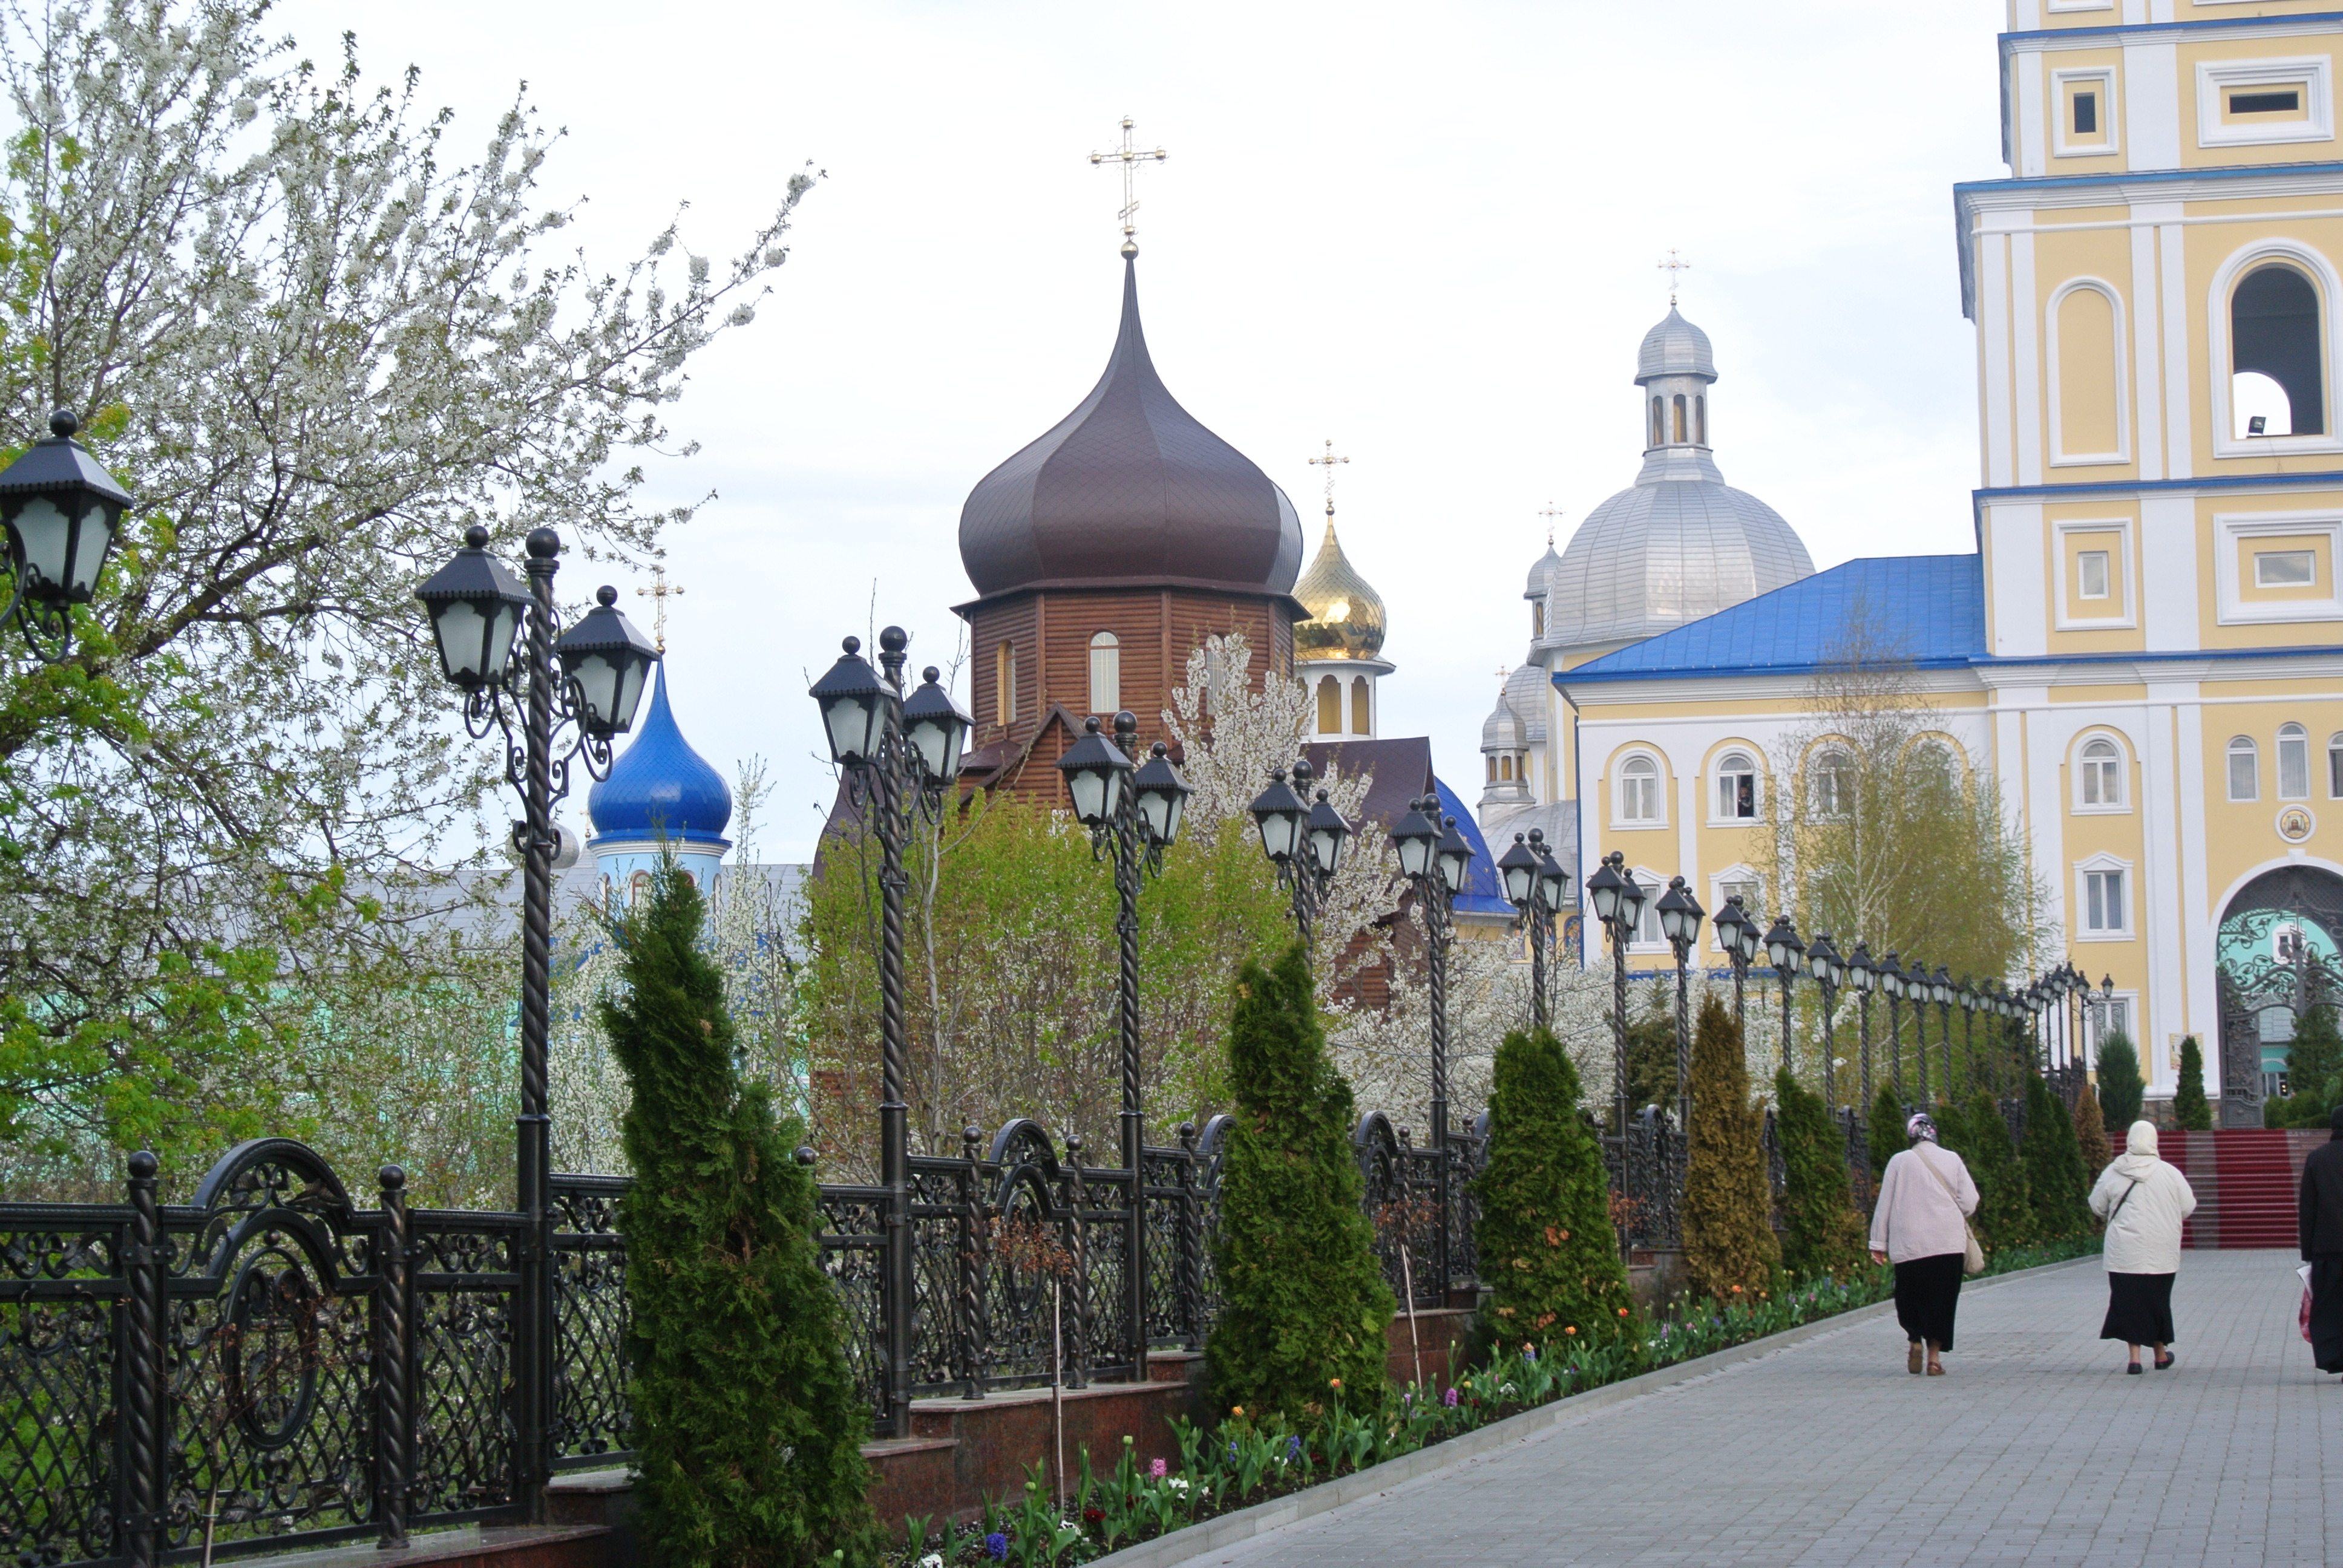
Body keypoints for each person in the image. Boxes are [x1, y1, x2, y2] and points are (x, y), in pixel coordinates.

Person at [1869, 1112, 1979, 1376]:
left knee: (1911, 1296)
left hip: (1909, 1245)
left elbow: (1884, 1203)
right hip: (1947, 1244)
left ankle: (1914, 1339)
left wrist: (1878, 1243)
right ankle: (1934, 1359)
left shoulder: (1899, 1161)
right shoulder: (1952, 1159)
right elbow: (1970, 1201)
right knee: (1942, 1301)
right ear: (1935, 1133)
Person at [2088, 1120, 2196, 1373]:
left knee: (2129, 1303)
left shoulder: (2113, 1172)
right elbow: (2188, 1206)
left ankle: (2134, 1359)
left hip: (2124, 1251)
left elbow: (2097, 1205)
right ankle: (2160, 1355)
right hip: (2162, 1249)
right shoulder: (2169, 1173)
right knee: (2158, 1302)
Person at [2300, 1104, 2343, 1375]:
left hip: (2328, 1248)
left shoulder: (2318, 1158)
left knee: (2330, 1307)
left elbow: (2308, 1207)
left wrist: (2309, 1252)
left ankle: (2335, 1357)